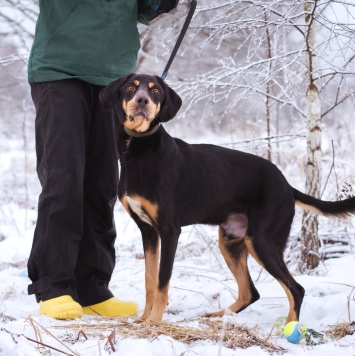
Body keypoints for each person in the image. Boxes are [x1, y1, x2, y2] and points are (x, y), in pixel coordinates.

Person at [27, 0, 179, 320]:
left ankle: (92, 287)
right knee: (64, 178)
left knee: (103, 182)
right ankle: (55, 286)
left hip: (114, 76)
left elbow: (143, 9)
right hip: (60, 69)